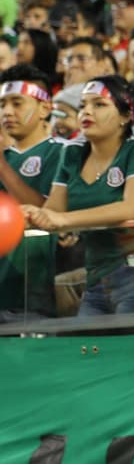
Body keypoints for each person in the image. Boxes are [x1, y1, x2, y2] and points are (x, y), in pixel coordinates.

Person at [23, 76, 134, 316]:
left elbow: (132, 209)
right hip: (96, 277)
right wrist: (29, 214)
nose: (86, 111)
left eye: (99, 104)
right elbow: (53, 212)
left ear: (126, 116)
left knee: (128, 341)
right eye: (83, 105)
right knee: (86, 341)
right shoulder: (72, 152)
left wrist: (63, 220)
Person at [0, 66, 62, 321]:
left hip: (31, 291)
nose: (7, 112)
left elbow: (46, 212)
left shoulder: (62, 152)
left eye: (17, 103)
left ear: (45, 108)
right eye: (2, 104)